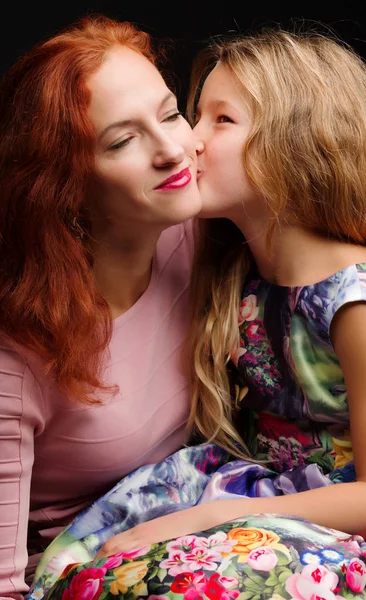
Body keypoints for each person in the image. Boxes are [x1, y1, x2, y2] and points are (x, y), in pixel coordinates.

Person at [41, 26, 366, 600]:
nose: (190, 142)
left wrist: (199, 520)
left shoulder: (356, 297)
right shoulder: (237, 268)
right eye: (195, 115)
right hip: (251, 488)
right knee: (94, 567)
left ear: (297, 144)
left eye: (221, 121)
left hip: (341, 524)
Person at [0, 13, 215, 600]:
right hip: (87, 567)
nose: (174, 150)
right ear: (64, 184)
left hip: (204, 522)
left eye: (171, 113)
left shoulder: (200, 231)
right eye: (123, 140)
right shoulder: (17, 354)